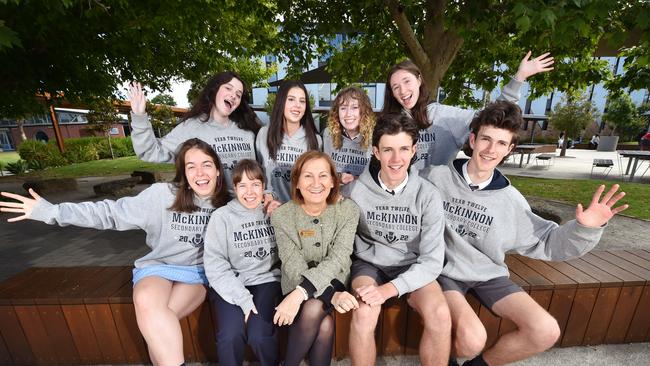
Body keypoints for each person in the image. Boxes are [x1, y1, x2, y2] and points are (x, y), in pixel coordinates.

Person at [420, 101, 628, 366]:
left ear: (509, 149)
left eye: (500, 143)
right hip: (444, 271)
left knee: (545, 330)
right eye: (485, 139)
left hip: (487, 273)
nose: (490, 149)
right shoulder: (435, 177)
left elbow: (549, 242)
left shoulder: (511, 201)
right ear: (472, 140)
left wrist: (585, 229)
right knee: (470, 339)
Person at [0, 138, 229, 366]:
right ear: (184, 174)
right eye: (191, 166)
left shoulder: (229, 204)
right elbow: (109, 212)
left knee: (156, 324)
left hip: (196, 273)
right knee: (146, 300)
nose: (200, 172)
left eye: (207, 164)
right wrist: (53, 212)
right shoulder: (162, 196)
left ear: (218, 170)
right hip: (158, 267)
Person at [342, 114, 449, 366]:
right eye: (388, 150)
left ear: (414, 151)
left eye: (403, 149)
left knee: (441, 314)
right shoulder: (354, 191)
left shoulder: (428, 195)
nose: (396, 159)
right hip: (370, 264)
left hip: (413, 265)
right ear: (376, 152)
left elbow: (433, 261)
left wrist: (389, 289)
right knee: (364, 312)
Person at [382, 51, 554, 170]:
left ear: (419, 80)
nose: (403, 91)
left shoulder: (444, 116)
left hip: (437, 196)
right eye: (395, 87)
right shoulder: (391, 123)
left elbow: (490, 117)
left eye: (407, 82)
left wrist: (519, 78)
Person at [270, 151, 359, 366]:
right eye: (308, 176)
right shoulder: (282, 215)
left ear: (332, 181)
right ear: (297, 182)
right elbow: (291, 263)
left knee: (313, 309)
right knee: (323, 323)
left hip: (335, 276)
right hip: (296, 279)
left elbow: (339, 257)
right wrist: (332, 296)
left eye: (323, 175)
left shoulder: (347, 210)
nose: (316, 183)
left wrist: (300, 294)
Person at [203, 159, 281, 366]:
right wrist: (243, 300)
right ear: (234, 188)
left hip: (267, 280)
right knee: (229, 335)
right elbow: (215, 264)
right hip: (231, 282)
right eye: (242, 185)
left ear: (264, 187)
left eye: (255, 184)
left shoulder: (274, 211)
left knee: (259, 336)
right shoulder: (222, 217)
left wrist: (281, 216)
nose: (250, 192)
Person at [129, 71, 261, 193]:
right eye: (228, 88)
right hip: (209, 210)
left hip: (246, 208)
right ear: (214, 90)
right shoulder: (190, 128)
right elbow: (150, 151)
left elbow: (263, 166)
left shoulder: (248, 130)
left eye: (238, 94)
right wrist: (139, 117)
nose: (233, 95)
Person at [256, 80, 322, 203]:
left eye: (302, 101)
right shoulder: (264, 134)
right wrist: (266, 194)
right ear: (281, 102)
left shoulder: (315, 140)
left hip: (300, 213)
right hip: (268, 211)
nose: (297, 105)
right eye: (291, 99)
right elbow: (257, 174)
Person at [323, 86, 376, 184]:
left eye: (354, 107)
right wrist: (339, 177)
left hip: (362, 194)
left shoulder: (375, 138)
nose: (348, 114)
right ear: (337, 112)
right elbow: (324, 170)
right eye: (343, 108)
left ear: (364, 111)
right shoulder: (328, 134)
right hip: (335, 194)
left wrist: (354, 178)